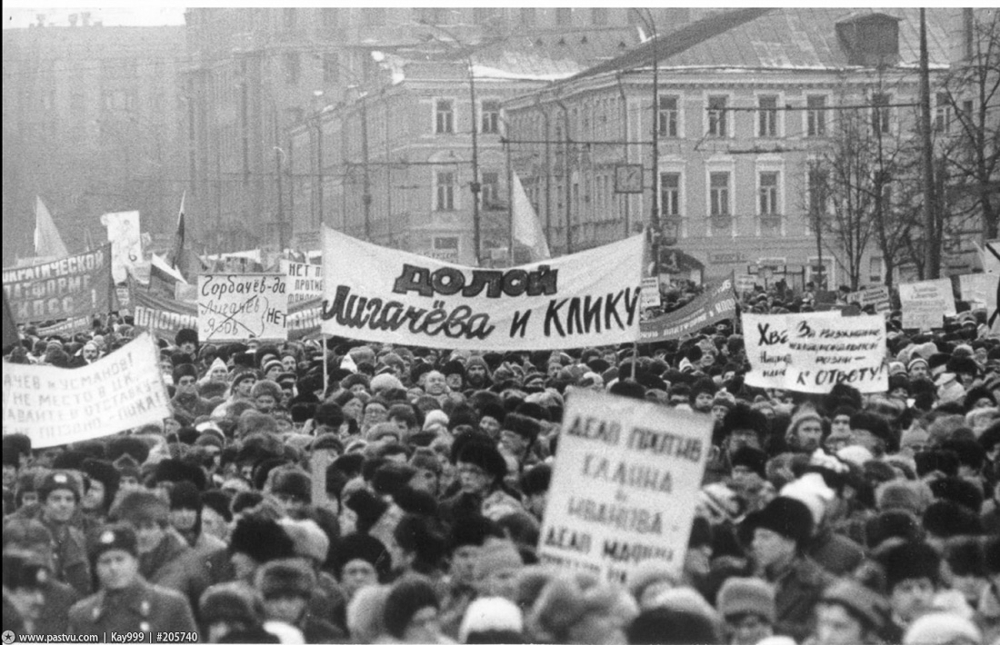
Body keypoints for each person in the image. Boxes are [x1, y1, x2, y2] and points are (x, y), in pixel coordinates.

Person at [68, 523, 198, 637]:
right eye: (105, 562)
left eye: (120, 559)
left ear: (135, 562)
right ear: (95, 569)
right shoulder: (82, 616)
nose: (113, 568)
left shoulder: (170, 606)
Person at [741, 496, 834, 641]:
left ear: (790, 543)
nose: (755, 544)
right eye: (755, 537)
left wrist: (765, 628)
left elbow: (819, 635)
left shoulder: (821, 586)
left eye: (765, 537)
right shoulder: (747, 574)